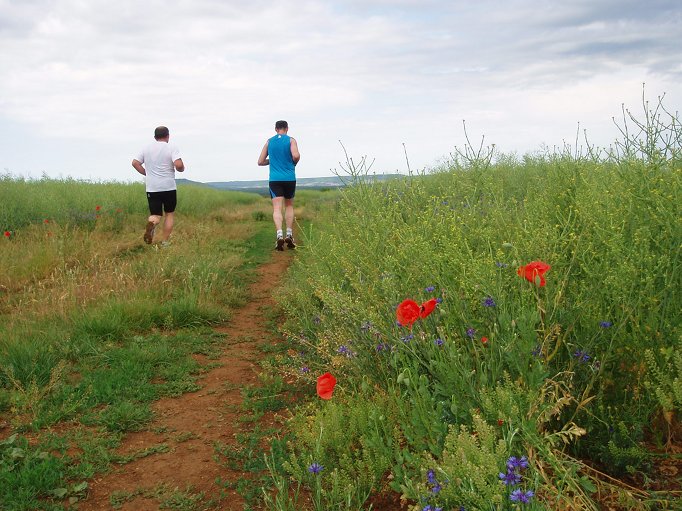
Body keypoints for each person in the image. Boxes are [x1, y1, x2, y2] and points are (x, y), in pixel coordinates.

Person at [132, 126, 185, 245]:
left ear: (155, 137)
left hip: (152, 188)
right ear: (168, 136)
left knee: (155, 215)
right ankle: (165, 243)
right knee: (169, 214)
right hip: (168, 187)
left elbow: (135, 163)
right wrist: (181, 168)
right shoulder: (171, 147)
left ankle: (152, 224)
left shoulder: (146, 148)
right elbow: (178, 164)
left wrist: (146, 173)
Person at [258, 120, 301, 250]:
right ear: (287, 128)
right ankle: (289, 234)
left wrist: (274, 160)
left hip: (274, 180)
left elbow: (260, 162)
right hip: (289, 178)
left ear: (276, 129)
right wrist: (294, 161)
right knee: (289, 205)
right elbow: (296, 155)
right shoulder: (291, 140)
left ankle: (279, 235)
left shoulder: (269, 142)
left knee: (277, 209)